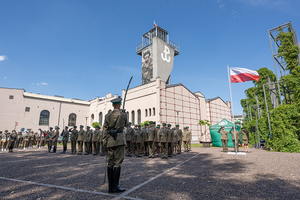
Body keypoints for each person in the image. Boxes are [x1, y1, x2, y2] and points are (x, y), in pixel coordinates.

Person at [102, 97, 127, 193]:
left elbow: (105, 128)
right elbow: (125, 124)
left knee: (110, 162)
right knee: (118, 162)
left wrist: (104, 140)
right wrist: (123, 113)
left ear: (112, 105)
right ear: (120, 104)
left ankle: (110, 187)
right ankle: (115, 186)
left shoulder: (107, 115)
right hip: (119, 139)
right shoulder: (123, 114)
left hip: (110, 140)